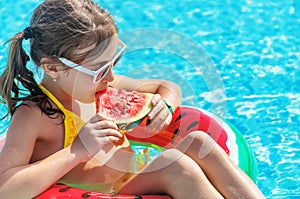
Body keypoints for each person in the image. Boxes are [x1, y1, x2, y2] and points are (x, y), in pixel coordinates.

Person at [0, 0, 265, 198]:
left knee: (198, 142)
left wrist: (166, 104)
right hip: (104, 190)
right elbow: (6, 187)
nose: (111, 76)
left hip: (130, 171)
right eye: (101, 69)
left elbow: (165, 85)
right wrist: (76, 151)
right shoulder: (35, 115)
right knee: (176, 165)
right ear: (53, 68)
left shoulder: (103, 84)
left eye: (114, 61)